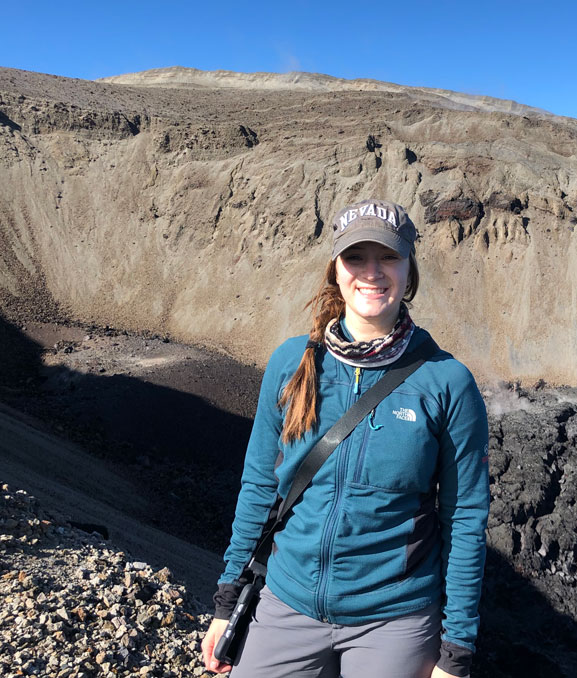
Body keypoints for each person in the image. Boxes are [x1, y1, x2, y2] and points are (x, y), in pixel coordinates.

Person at [201, 198, 489, 678]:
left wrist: (456, 652)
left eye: (389, 257)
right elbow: (258, 488)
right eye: (356, 257)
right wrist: (226, 604)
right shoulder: (292, 364)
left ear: (409, 269)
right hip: (287, 602)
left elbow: (464, 518)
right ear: (335, 269)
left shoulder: (447, 382)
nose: (372, 273)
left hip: (394, 618)